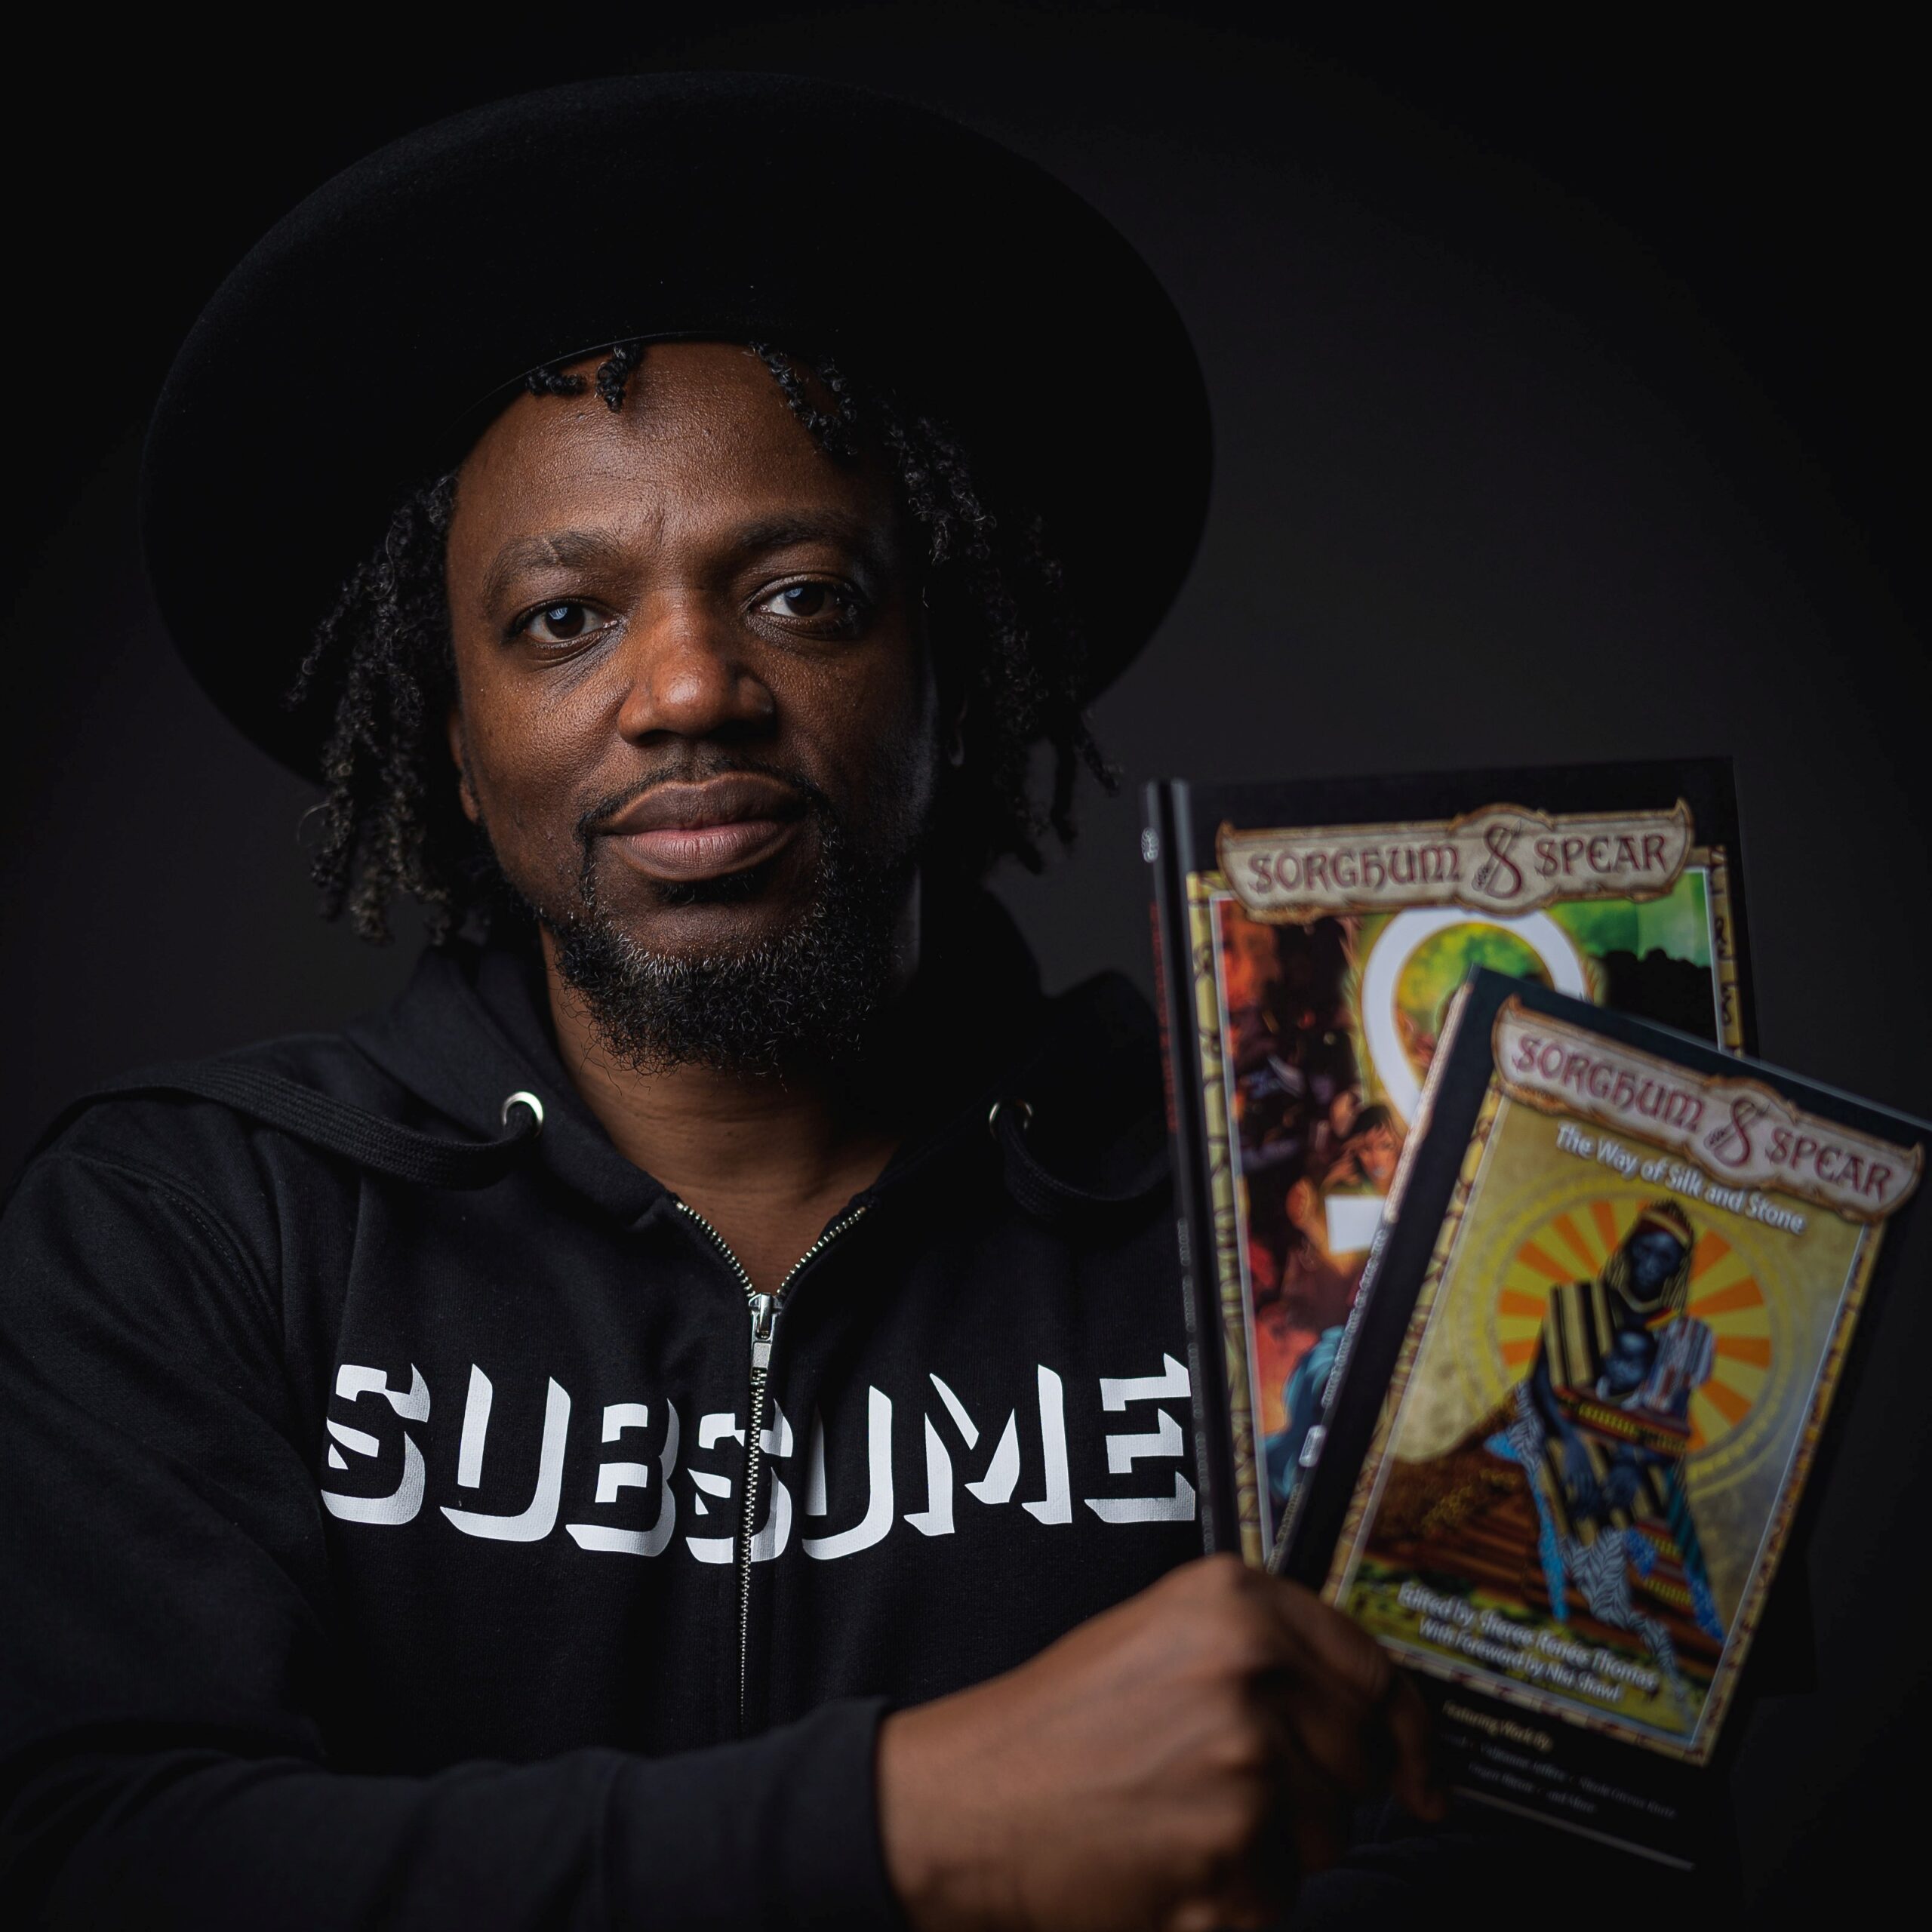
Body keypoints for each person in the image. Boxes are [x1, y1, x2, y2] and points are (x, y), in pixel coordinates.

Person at [0, 75, 1451, 1929]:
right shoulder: (194, 1227)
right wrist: (915, 1817)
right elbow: (103, 1860)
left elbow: (1496, 1835)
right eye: (562, 618)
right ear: (452, 743)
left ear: (950, 678)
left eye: (803, 596)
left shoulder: (1290, 1201)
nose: (689, 688)